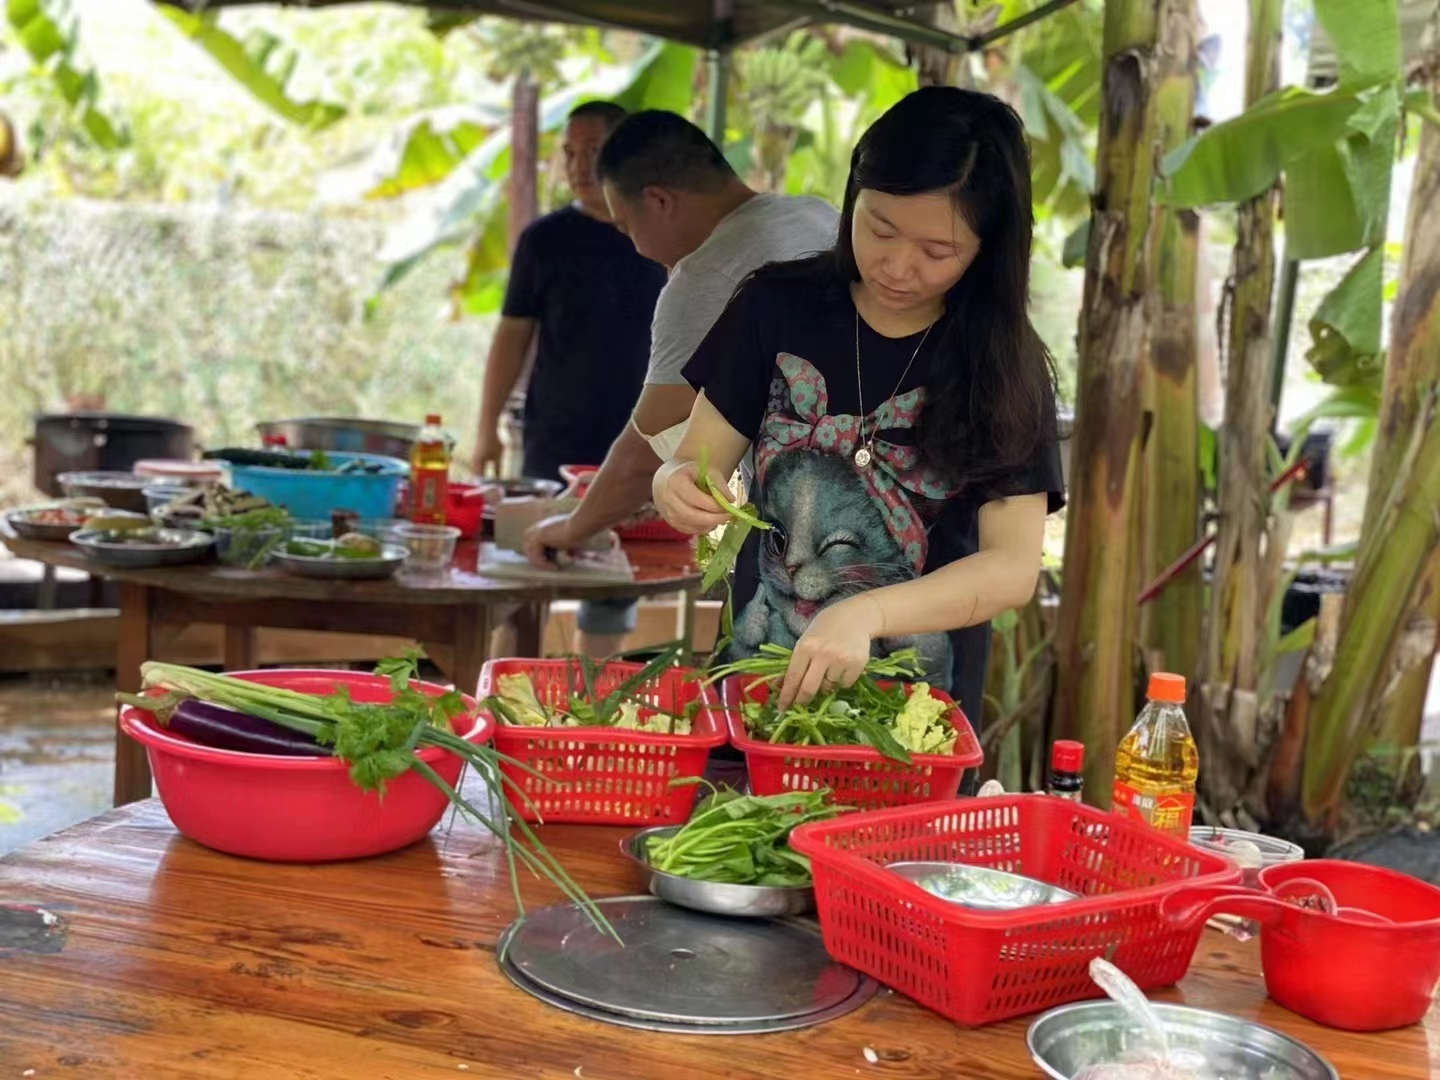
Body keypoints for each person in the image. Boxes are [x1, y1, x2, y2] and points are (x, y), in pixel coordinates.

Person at [652, 87, 1065, 722]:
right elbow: (691, 462)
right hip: (757, 692)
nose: (898, 266)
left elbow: (1010, 568)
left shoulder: (1004, 365)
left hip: (914, 717)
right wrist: (676, 484)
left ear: (988, 250)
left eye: (937, 252)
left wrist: (866, 612)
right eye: (879, 228)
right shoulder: (774, 306)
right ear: (854, 197)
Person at [522, 110, 838, 657]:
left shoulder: (707, 276)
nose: (636, 247)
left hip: (803, 551)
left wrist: (573, 529)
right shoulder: (814, 215)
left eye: (626, 226)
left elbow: (651, 446)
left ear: (660, 200)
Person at [472, 100, 666, 485]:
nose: (579, 166)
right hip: (555, 441)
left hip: (645, 441)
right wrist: (486, 427)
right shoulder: (544, 240)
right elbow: (511, 338)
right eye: (570, 153)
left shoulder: (662, 235)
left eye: (593, 151)